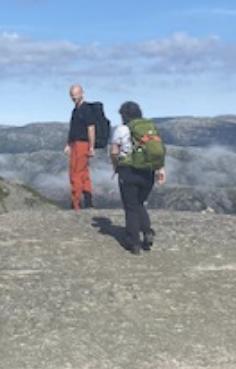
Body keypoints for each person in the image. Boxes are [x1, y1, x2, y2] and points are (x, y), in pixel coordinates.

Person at [109, 101, 167, 255]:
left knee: (131, 207)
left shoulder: (121, 129)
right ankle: (147, 231)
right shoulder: (149, 128)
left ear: (123, 115)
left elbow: (114, 151)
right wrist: (161, 169)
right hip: (148, 172)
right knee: (139, 203)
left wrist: (115, 166)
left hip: (128, 172)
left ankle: (133, 242)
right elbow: (157, 151)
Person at [63, 84, 95, 210]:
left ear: (82, 93)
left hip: (82, 144)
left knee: (75, 173)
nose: (73, 97)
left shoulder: (86, 109)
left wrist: (91, 147)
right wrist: (68, 144)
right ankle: (88, 201)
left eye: (76, 94)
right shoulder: (76, 110)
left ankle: (76, 204)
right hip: (76, 144)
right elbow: (73, 129)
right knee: (83, 173)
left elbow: (91, 128)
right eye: (72, 95)